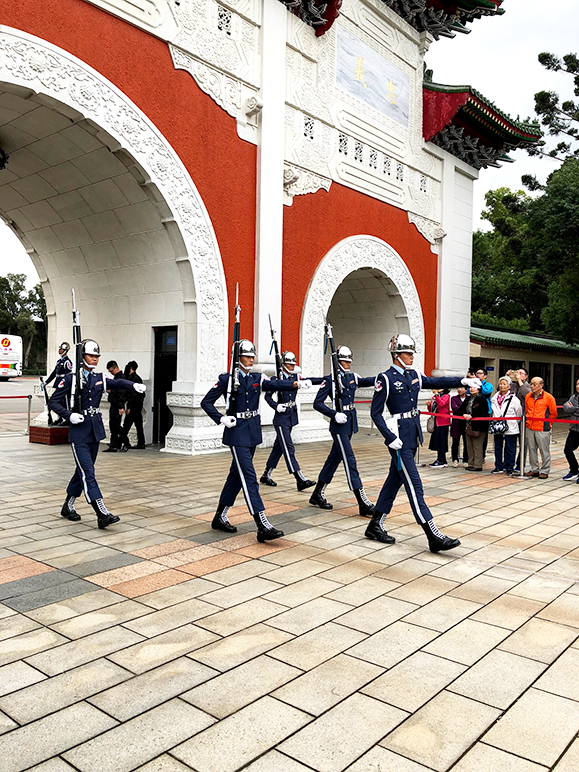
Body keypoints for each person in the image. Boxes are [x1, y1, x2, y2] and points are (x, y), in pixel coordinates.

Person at [368, 334, 480, 551]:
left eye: (411, 353)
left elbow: (436, 382)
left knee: (394, 481)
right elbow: (376, 413)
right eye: (408, 353)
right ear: (396, 354)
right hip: (398, 438)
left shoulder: (414, 376)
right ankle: (433, 535)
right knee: (414, 485)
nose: (412, 357)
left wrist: (462, 380)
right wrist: (390, 438)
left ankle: (375, 524)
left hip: (411, 435)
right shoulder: (386, 378)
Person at [201, 340, 310, 542]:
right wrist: (221, 418)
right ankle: (262, 524)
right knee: (249, 477)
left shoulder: (257, 378)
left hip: (252, 433)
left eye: (253, 356)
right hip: (236, 433)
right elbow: (205, 402)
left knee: (236, 476)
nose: (251, 360)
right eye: (247, 356)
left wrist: (295, 383)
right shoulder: (227, 379)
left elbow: (273, 384)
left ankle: (219, 516)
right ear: (238, 358)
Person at [48, 339, 146, 528]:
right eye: (91, 356)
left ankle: (68, 505)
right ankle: (102, 512)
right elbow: (53, 402)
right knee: (89, 473)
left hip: (94, 432)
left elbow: (116, 383)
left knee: (82, 471)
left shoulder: (98, 377)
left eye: (96, 356)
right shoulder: (71, 379)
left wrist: (132, 386)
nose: (94, 359)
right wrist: (69, 415)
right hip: (79, 433)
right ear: (81, 356)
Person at [309, 345, 377, 516]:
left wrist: (383, 378)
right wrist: (333, 414)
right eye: (344, 361)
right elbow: (317, 403)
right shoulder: (331, 380)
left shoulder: (352, 377)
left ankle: (317, 493)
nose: (348, 364)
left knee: (333, 460)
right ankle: (362, 501)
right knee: (350, 460)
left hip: (349, 424)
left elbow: (368, 381)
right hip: (339, 426)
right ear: (337, 361)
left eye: (349, 361)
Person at [261, 351, 321, 490]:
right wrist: (276, 406)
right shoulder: (276, 378)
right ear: (283, 364)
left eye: (294, 364)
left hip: (291, 416)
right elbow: (267, 397)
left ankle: (266, 475)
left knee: (278, 448)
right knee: (288, 448)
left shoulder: (296, 377)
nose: (292, 366)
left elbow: (311, 379)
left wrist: (328, 379)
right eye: (289, 364)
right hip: (281, 418)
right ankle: (299, 478)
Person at [524, 377, 557, 479]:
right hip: (530, 427)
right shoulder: (528, 396)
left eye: (534, 384)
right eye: (531, 384)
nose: (532, 386)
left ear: (541, 385)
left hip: (543, 428)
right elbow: (527, 410)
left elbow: (553, 413)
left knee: (544, 450)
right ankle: (534, 469)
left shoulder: (548, 397)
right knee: (532, 449)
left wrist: (548, 424)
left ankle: (545, 470)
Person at [489, 375, 522, 476]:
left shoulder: (514, 399)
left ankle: (509, 467)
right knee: (498, 447)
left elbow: (519, 413)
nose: (502, 386)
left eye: (504, 384)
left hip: (510, 426)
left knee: (510, 447)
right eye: (500, 384)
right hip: (497, 426)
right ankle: (498, 466)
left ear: (509, 386)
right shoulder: (494, 398)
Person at [454, 382, 489, 472]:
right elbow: (461, 409)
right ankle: (471, 463)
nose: (472, 389)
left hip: (479, 426)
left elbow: (483, 411)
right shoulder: (468, 398)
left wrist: (472, 415)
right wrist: (464, 414)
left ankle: (477, 465)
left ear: (478, 388)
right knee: (469, 445)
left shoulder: (482, 398)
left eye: (474, 387)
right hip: (468, 425)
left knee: (477, 446)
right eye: (471, 387)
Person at [103, 360, 129, 452]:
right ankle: (114, 444)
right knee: (112, 425)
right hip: (114, 404)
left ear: (116, 368)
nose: (111, 373)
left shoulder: (121, 378)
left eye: (111, 371)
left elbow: (122, 393)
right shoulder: (116, 378)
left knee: (117, 426)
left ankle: (126, 443)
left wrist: (121, 407)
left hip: (118, 405)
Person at [45, 342, 73, 425]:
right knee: (58, 402)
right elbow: (54, 373)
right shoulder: (59, 361)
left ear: (65, 351)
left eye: (61, 349)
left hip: (64, 385)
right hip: (58, 384)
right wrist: (46, 382)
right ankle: (59, 417)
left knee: (65, 402)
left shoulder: (67, 362)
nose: (59, 350)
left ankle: (66, 418)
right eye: (59, 349)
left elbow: (68, 375)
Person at [510, 366, 531, 471]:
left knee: (523, 443)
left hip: (524, 418)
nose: (518, 374)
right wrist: (507, 377)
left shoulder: (527, 386)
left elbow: (527, 395)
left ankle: (520, 464)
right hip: (512, 418)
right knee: (511, 442)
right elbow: (501, 389)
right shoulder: (512, 385)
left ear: (526, 376)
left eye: (521, 373)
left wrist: (519, 381)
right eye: (517, 372)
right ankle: (509, 463)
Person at [123, 361, 146, 449]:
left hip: (133, 406)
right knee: (138, 425)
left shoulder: (133, 379)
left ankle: (122, 441)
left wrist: (129, 407)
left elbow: (132, 395)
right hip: (138, 406)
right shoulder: (138, 378)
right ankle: (141, 443)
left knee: (126, 425)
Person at [427, 388, 451, 468]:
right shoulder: (434, 397)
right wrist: (428, 405)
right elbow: (432, 409)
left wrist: (437, 395)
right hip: (436, 421)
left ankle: (441, 460)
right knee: (437, 441)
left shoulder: (446, 396)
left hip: (443, 421)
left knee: (442, 441)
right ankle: (440, 459)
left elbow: (441, 404)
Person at [562, 378, 579, 481]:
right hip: (574, 429)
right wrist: (576, 409)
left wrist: (574, 409)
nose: (577, 386)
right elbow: (565, 407)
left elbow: (571, 409)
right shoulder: (574, 397)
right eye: (577, 384)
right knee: (567, 450)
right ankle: (574, 470)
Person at [451, 385, 468, 467]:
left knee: (466, 441)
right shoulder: (454, 398)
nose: (460, 390)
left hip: (466, 423)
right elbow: (455, 409)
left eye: (462, 388)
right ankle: (455, 459)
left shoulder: (469, 398)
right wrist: (464, 411)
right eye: (458, 388)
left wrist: (461, 409)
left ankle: (466, 460)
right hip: (456, 423)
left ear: (466, 389)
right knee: (455, 442)